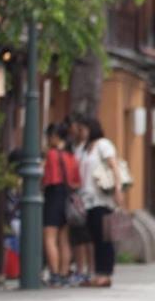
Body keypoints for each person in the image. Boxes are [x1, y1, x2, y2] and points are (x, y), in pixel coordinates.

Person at [77, 117, 125, 288]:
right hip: (86, 199)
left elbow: (114, 166)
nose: (80, 133)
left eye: (83, 129)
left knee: (104, 235)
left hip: (103, 198)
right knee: (94, 237)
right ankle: (97, 272)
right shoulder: (82, 149)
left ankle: (105, 273)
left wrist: (118, 188)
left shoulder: (104, 145)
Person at [40, 123, 80, 287]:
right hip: (68, 196)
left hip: (53, 195)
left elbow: (45, 178)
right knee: (64, 239)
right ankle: (64, 274)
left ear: (55, 136)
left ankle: (54, 274)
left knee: (50, 237)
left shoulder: (51, 154)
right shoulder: (71, 156)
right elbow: (77, 181)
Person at [67, 116, 92, 285]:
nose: (77, 132)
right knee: (76, 236)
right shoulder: (74, 148)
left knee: (87, 237)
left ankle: (89, 270)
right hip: (75, 196)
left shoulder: (91, 148)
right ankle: (79, 269)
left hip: (88, 197)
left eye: (80, 129)